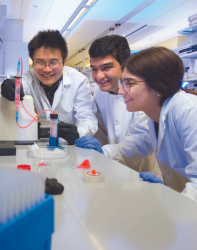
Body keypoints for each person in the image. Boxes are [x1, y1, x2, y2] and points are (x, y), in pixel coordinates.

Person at [75, 35, 161, 176]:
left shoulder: (142, 92)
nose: (99, 76)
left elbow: (143, 139)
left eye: (106, 67)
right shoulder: (98, 92)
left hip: (141, 174)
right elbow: (100, 130)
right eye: (94, 69)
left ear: (124, 64)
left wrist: (107, 152)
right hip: (110, 169)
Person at [119, 46, 197, 200]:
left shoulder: (189, 110)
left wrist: (172, 206)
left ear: (159, 84)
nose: (121, 91)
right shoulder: (154, 116)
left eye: (130, 83)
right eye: (122, 82)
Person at [1, 30, 97, 144]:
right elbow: (17, 87)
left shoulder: (79, 81)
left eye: (53, 62)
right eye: (40, 62)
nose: (47, 69)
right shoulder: (29, 78)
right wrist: (5, 85)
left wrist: (78, 133)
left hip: (70, 148)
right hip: (37, 148)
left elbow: (87, 119)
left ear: (64, 61)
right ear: (33, 62)